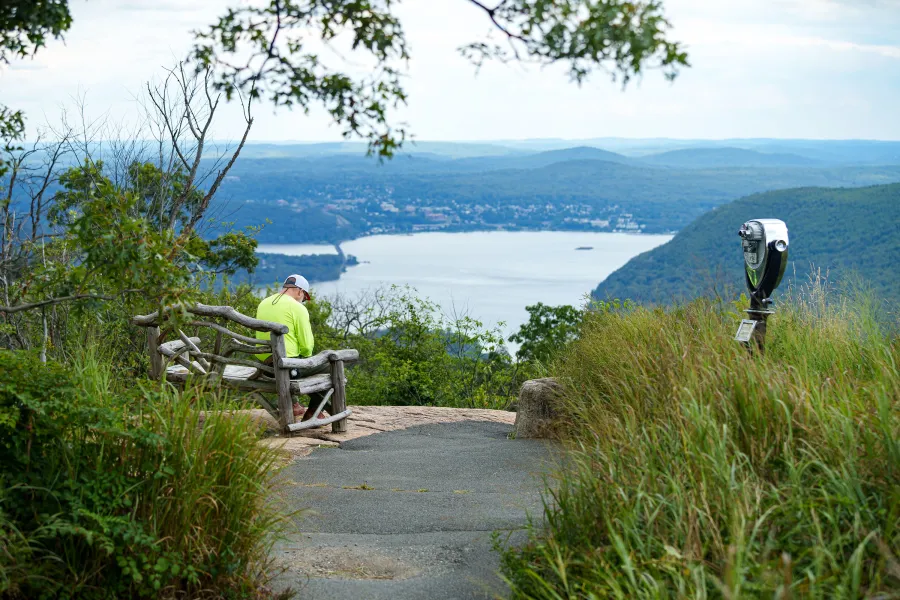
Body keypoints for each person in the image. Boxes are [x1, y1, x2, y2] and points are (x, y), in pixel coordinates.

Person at [254, 274, 325, 420]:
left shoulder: (263, 303)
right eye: (304, 297)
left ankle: (294, 404)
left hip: (265, 368)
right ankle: (314, 412)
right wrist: (305, 354)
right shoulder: (297, 307)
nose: (303, 301)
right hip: (286, 369)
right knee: (331, 364)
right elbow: (306, 347)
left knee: (292, 360)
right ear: (300, 291)